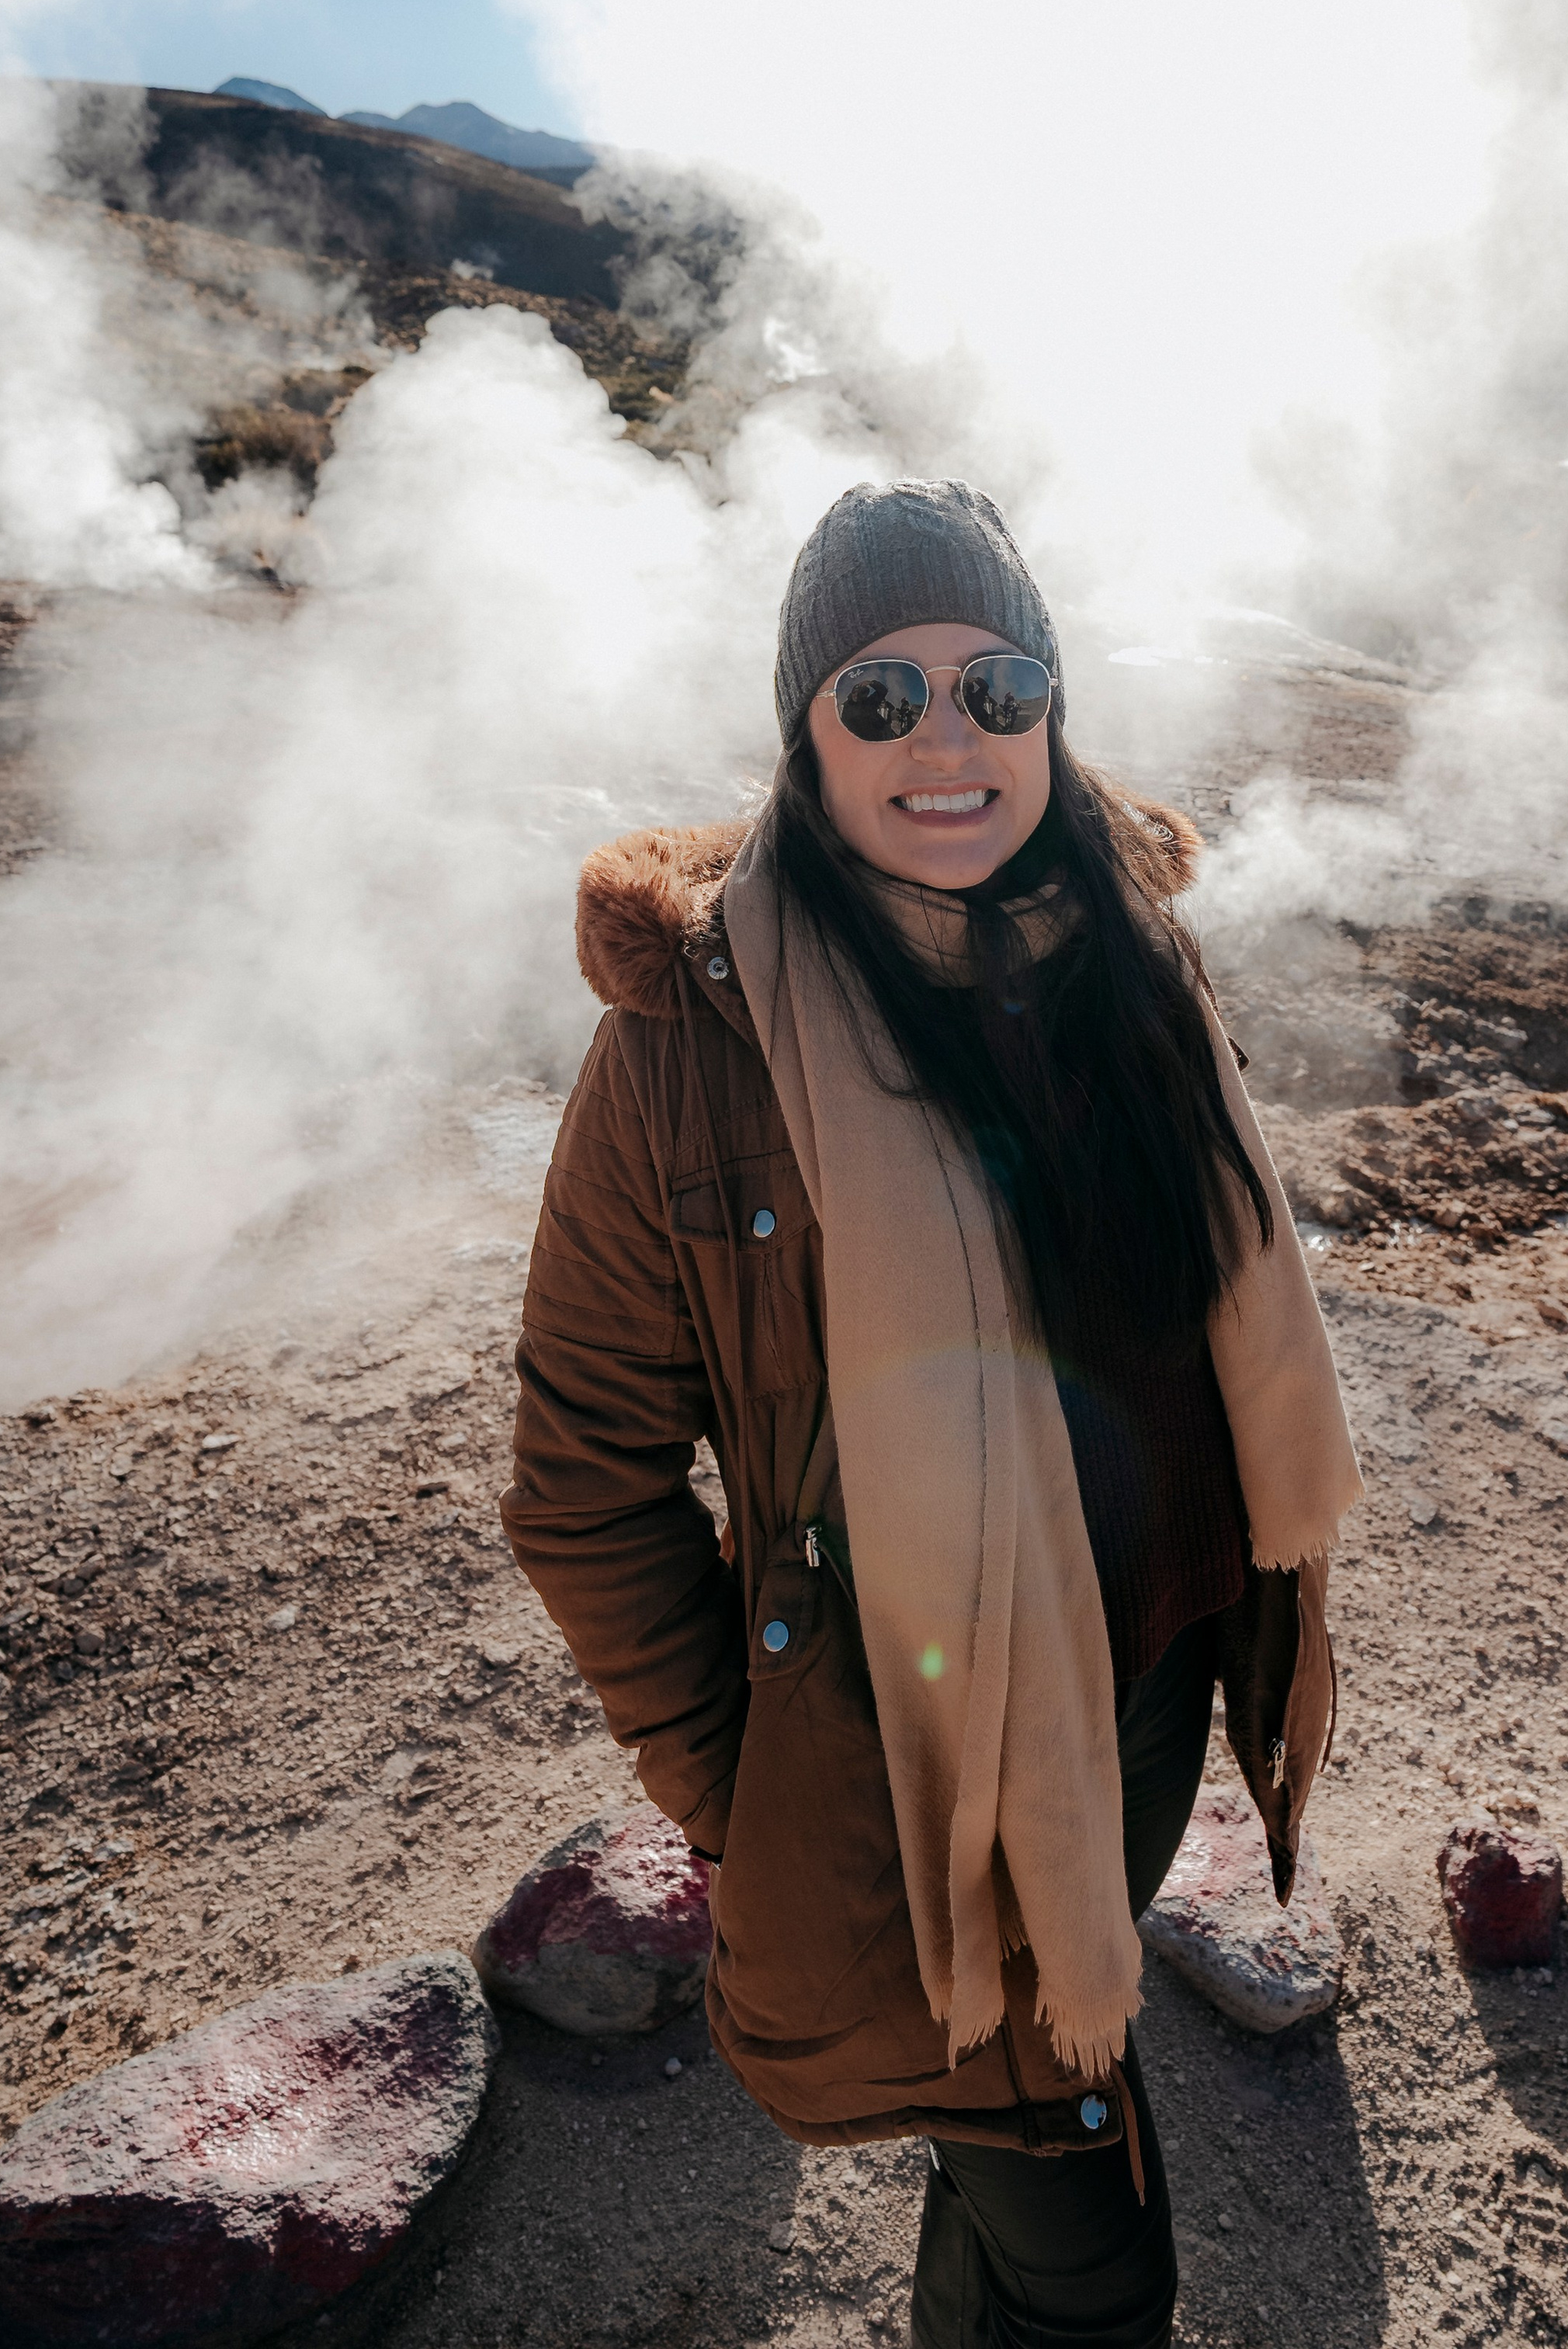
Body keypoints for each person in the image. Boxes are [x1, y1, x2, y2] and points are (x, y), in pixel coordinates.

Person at [502, 477, 1362, 2348]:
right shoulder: (692, 1042)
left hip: (1141, 1680)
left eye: (999, 683)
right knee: (1096, 2260)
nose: (947, 738)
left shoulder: (1132, 952)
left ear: (1053, 711)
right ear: (807, 737)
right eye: (881, 698)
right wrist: (738, 1797)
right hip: (896, 1755)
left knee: (1024, 2148)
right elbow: (584, 1482)